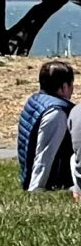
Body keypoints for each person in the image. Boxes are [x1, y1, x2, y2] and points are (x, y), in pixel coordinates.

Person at [18, 60, 79, 195]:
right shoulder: (57, 113)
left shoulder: (36, 100)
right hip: (53, 181)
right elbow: (45, 153)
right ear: (64, 87)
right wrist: (36, 189)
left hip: (26, 174)